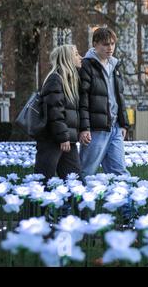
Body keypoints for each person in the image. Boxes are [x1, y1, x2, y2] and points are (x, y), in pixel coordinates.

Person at [78, 27, 130, 179]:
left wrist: (123, 124)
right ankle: (78, 202)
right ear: (95, 44)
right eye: (106, 44)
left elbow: (119, 97)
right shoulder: (87, 66)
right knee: (86, 173)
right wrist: (84, 128)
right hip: (95, 129)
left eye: (113, 44)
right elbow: (83, 100)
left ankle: (124, 203)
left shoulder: (115, 66)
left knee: (120, 173)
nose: (110, 48)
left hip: (115, 128)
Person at [34, 45, 82, 180]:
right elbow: (54, 111)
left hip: (66, 140)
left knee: (75, 183)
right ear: (67, 58)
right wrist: (63, 137)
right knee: (43, 182)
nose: (80, 57)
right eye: (77, 54)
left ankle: (76, 202)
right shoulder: (55, 79)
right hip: (52, 141)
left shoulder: (68, 80)